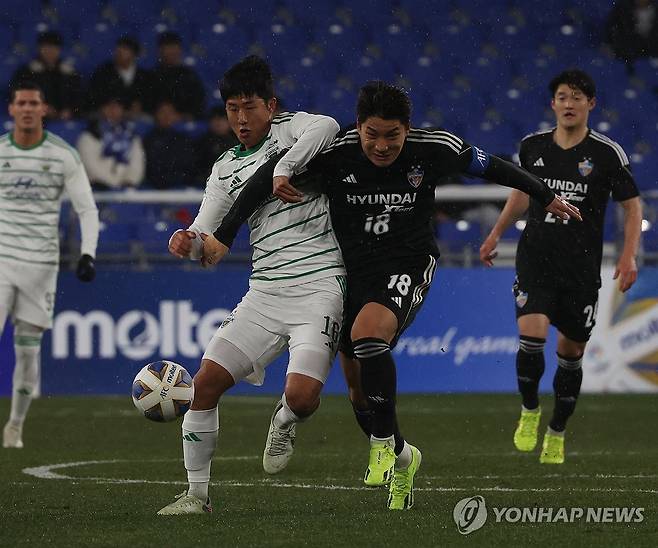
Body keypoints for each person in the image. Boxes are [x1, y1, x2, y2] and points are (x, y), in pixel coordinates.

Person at [204, 81, 581, 510]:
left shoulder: (435, 148)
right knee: (358, 393)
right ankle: (403, 459)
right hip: (352, 272)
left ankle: (382, 443)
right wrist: (223, 235)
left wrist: (546, 196)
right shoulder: (334, 152)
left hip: (408, 262)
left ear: (408, 129)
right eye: (372, 134)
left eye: (392, 136)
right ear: (358, 126)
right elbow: (259, 182)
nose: (381, 146)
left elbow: (495, 167)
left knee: (369, 335)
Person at [157, 56, 342, 515]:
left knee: (301, 397)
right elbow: (207, 235)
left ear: (271, 105)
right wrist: (188, 243)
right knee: (203, 385)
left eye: (249, 107)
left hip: (321, 285)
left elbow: (331, 126)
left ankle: (284, 418)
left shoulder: (294, 130)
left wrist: (282, 169)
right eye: (231, 109)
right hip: (265, 293)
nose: (240, 118)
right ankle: (196, 497)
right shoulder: (223, 170)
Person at [479, 69, 642, 464]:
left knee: (570, 354)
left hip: (581, 269)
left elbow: (632, 206)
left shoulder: (607, 154)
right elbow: (522, 192)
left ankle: (557, 430)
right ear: (553, 104)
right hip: (536, 258)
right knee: (531, 337)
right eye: (563, 97)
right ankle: (530, 409)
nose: (570, 104)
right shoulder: (532, 147)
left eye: (578, 97)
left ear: (591, 104)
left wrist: (628, 253)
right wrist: (496, 233)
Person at [1, 81, 99, 448]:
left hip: (41, 265)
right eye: (20, 103)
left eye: (34, 103)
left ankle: (14, 426)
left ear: (44, 109)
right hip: (1, 258)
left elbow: (86, 209)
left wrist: (87, 253)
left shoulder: (63, 155)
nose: (27, 109)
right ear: (11, 109)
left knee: (27, 350)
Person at [10, 31, 83, 120]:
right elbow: (17, 94)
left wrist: (70, 110)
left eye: (54, 48)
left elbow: (79, 96)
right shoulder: (26, 71)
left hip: (65, 117)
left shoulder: (69, 72)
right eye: (46, 48)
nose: (50, 51)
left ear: (59, 50)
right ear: (39, 48)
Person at [77, 97, 145, 190]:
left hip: (125, 189)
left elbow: (137, 163)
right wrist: (112, 183)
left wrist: (130, 181)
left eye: (117, 107)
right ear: (102, 109)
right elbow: (90, 166)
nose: (113, 110)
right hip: (97, 189)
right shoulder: (89, 135)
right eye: (109, 106)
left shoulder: (132, 136)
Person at [86, 35, 154, 117]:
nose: (119, 52)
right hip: (107, 114)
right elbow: (94, 95)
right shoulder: (103, 71)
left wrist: (139, 106)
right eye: (118, 49)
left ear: (134, 54)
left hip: (135, 116)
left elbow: (148, 99)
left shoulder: (143, 75)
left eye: (125, 49)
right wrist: (106, 106)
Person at [151, 32, 206, 119]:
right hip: (155, 122)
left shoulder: (190, 76)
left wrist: (180, 116)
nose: (171, 51)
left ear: (180, 50)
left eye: (174, 47)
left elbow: (199, 105)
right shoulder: (151, 75)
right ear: (160, 50)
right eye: (167, 47)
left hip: (182, 122)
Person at [142, 101, 195, 189]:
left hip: (178, 187)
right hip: (152, 187)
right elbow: (148, 166)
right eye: (162, 112)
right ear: (156, 115)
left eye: (170, 112)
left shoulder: (183, 140)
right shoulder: (148, 139)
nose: (166, 116)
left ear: (175, 116)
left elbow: (186, 166)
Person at [193, 106, 238, 184]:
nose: (218, 123)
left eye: (222, 119)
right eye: (215, 119)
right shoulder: (202, 143)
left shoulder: (239, 141)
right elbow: (197, 167)